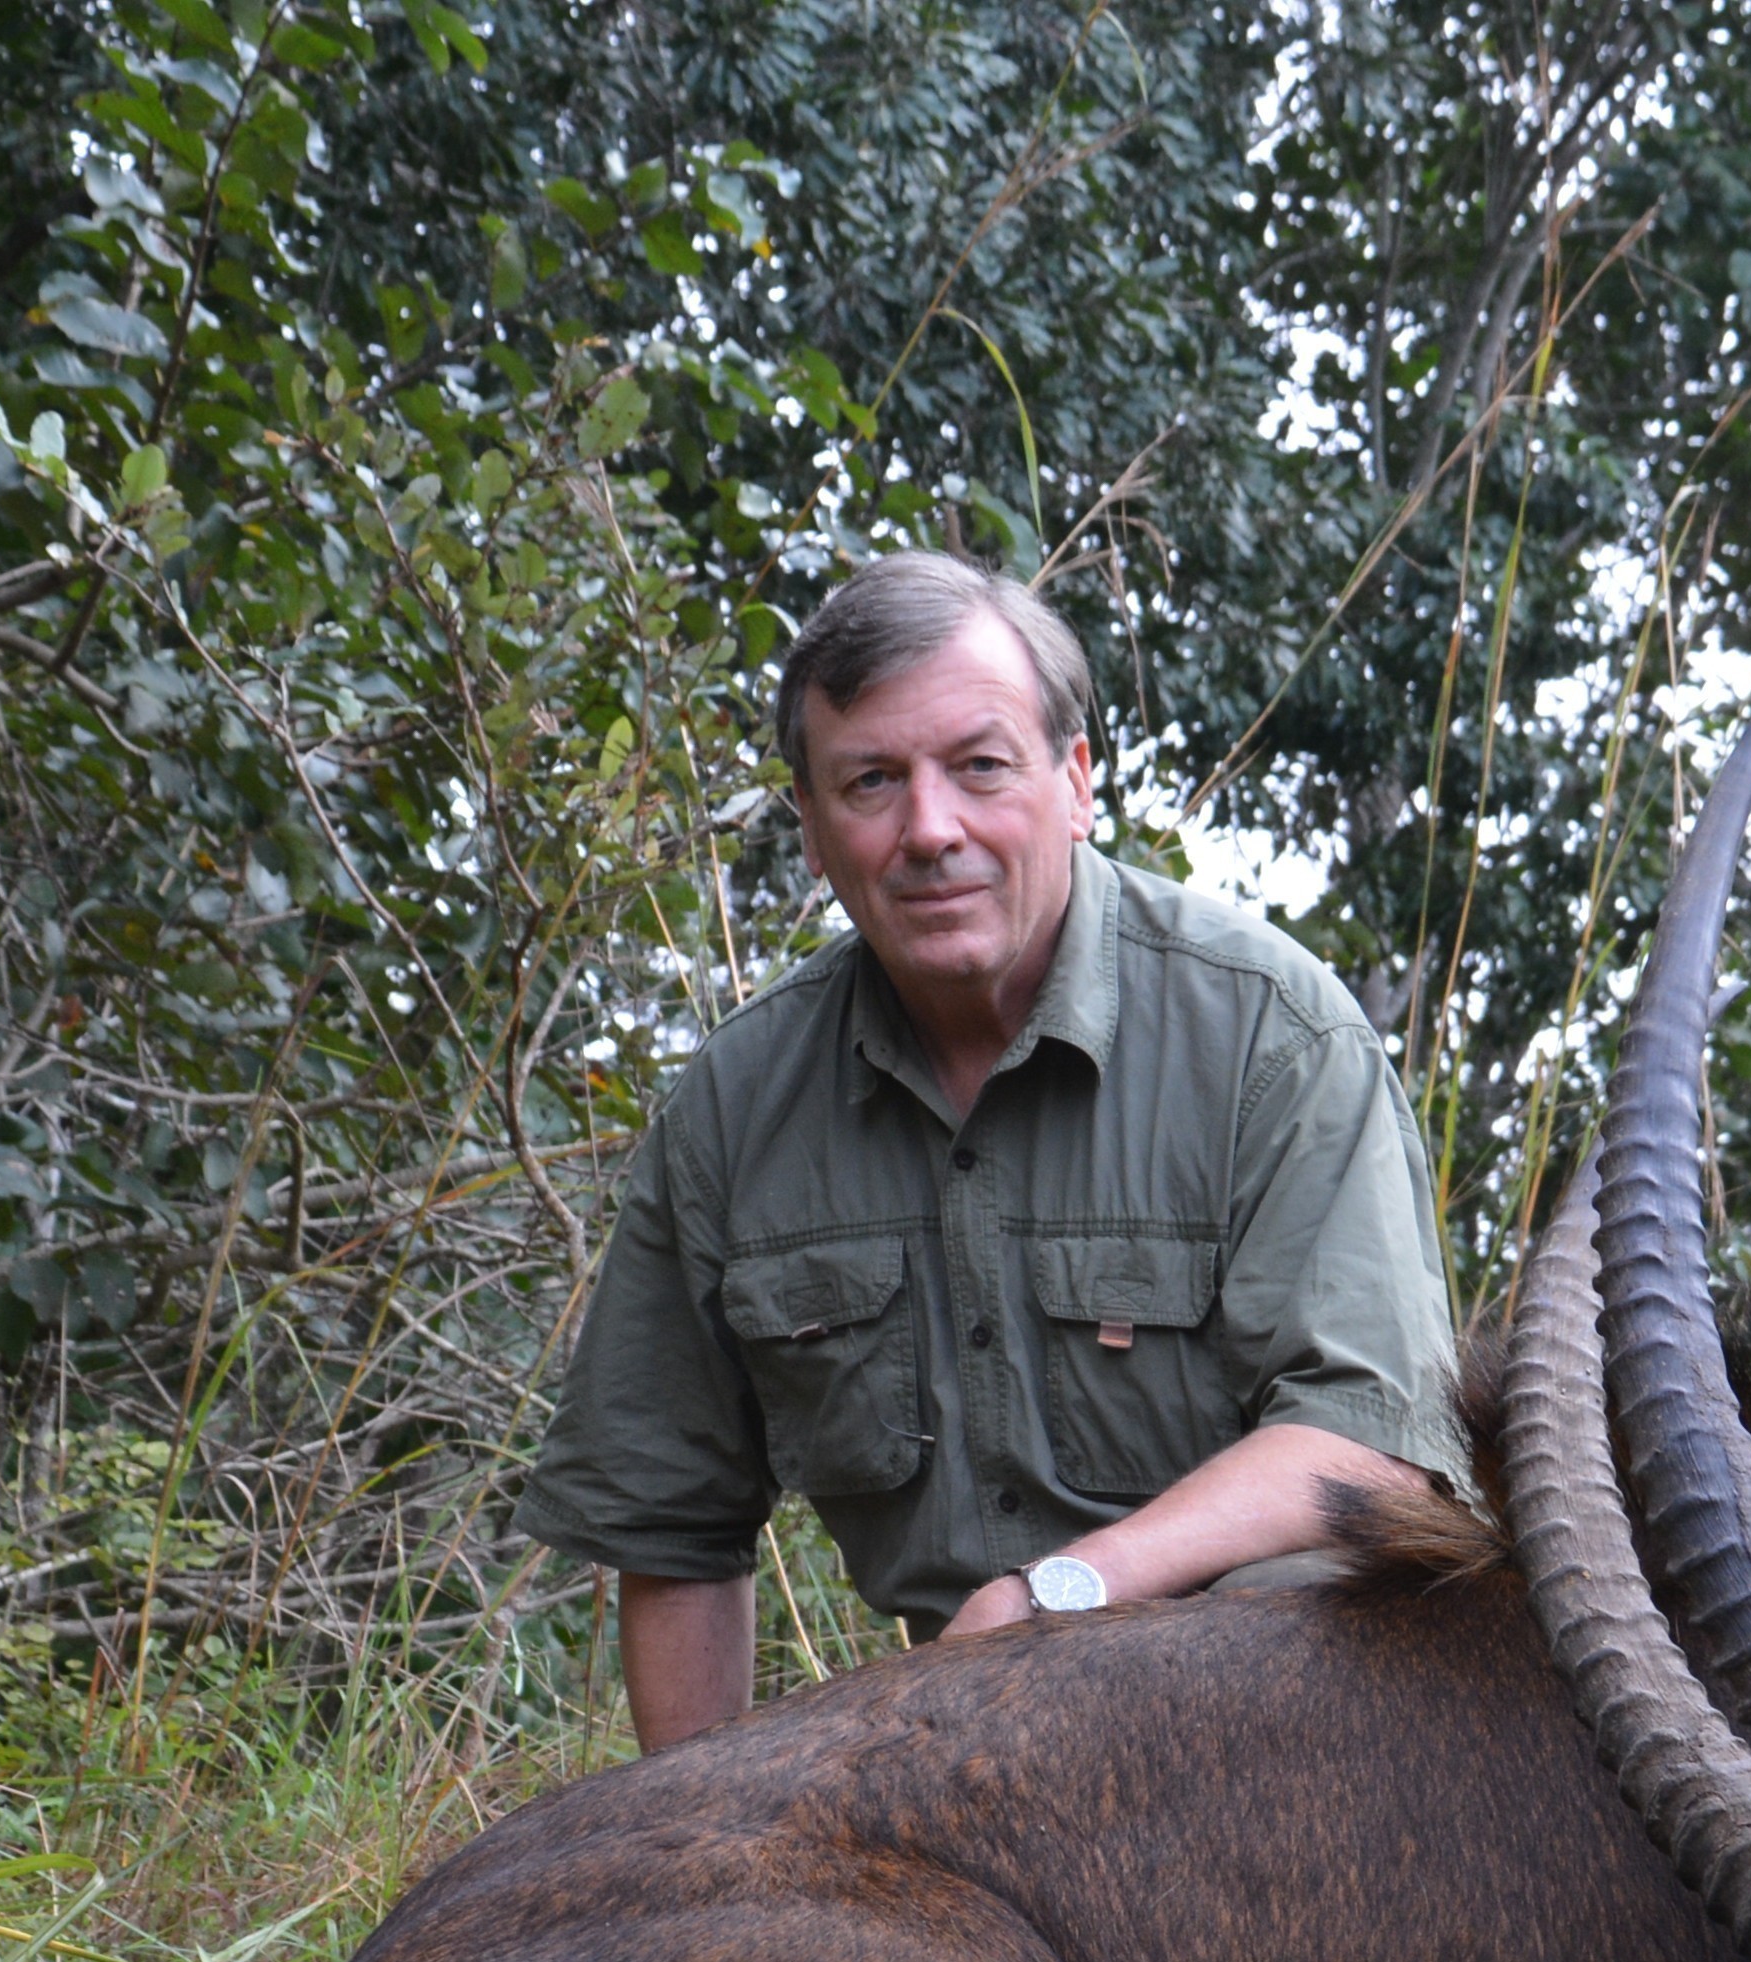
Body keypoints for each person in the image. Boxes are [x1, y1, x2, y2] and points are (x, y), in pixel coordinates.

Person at [518, 554, 1466, 1752]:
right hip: (966, 1765)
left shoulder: (1273, 1037)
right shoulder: (732, 1108)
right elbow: (669, 1526)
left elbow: (1377, 1443)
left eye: (979, 767)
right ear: (811, 829)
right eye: (871, 781)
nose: (930, 829)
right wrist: (708, 1847)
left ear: (1074, 782)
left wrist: (1056, 1593)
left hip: (1297, 1741)